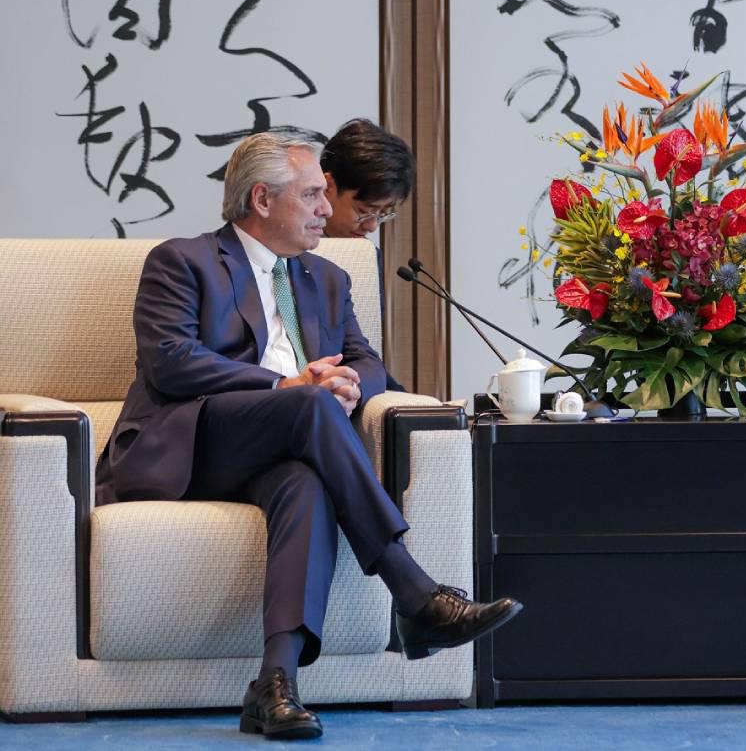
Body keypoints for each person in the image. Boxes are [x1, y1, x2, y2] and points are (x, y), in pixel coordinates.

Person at [95, 132, 521, 740]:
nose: (328, 208)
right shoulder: (182, 259)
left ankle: (274, 685)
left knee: (306, 484)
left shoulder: (326, 278)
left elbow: (369, 362)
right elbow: (170, 360)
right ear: (263, 199)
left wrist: (348, 381)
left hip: (288, 445)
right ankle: (413, 591)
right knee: (311, 407)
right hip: (192, 442)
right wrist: (284, 383)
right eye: (314, 194)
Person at [321, 117, 415, 392]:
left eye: (383, 214)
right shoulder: (286, 249)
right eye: (364, 211)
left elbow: (362, 354)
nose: (372, 225)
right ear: (328, 185)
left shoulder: (362, 259)